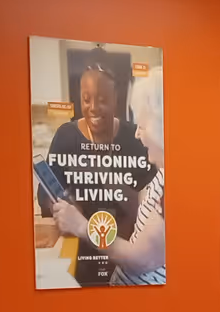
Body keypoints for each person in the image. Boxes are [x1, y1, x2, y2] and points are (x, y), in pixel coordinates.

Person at [52, 64, 163, 286]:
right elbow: (141, 204)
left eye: (143, 125)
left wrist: (82, 226)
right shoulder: (162, 175)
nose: (138, 133)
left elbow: (139, 259)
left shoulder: (174, 188)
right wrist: (102, 175)